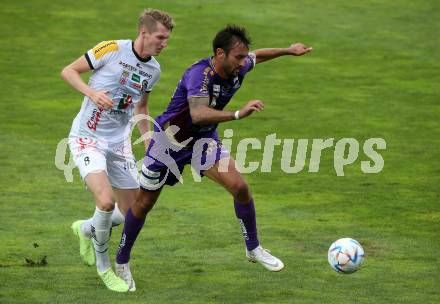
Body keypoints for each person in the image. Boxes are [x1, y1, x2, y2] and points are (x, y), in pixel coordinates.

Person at [115, 25, 312, 289]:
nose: (243, 62)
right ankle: (122, 261)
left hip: (202, 141)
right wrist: (237, 114)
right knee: (143, 204)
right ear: (220, 54)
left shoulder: (238, 65)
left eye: (243, 58)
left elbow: (259, 56)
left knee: (239, 186)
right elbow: (198, 114)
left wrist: (289, 50)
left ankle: (253, 248)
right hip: (169, 142)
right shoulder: (200, 75)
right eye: (238, 57)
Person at [60, 9, 174, 292]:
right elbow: (68, 71)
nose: (164, 44)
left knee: (133, 210)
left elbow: (142, 108)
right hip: (88, 137)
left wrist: (150, 145)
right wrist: (92, 93)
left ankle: (86, 229)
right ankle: (104, 268)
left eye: (167, 39)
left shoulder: (154, 70)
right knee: (106, 202)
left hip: (119, 143)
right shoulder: (110, 49)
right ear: (144, 33)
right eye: (160, 37)